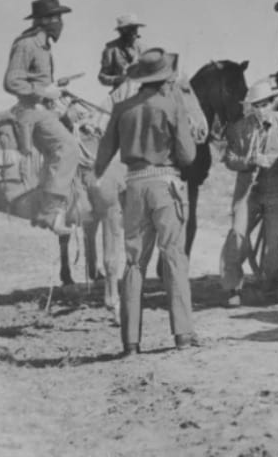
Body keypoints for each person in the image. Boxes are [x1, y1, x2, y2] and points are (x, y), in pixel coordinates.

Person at [94, 47, 199, 356]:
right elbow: (189, 156)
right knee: (173, 257)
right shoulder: (172, 105)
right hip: (166, 186)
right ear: (165, 79)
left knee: (133, 262)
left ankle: (130, 342)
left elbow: (103, 156)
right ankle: (182, 334)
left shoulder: (122, 108)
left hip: (134, 187)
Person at [219, 77, 278, 306]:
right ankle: (232, 289)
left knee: (274, 246)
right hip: (249, 194)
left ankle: (269, 289)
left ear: (273, 103)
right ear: (251, 107)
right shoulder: (240, 128)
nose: (262, 110)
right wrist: (250, 160)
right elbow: (229, 159)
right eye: (257, 106)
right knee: (237, 237)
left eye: (265, 104)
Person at [3, 0, 77, 236]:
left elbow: (35, 80)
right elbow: (11, 81)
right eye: (56, 18)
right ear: (43, 20)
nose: (60, 23)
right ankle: (50, 212)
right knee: (67, 147)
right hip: (31, 111)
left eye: (60, 18)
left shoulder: (43, 46)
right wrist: (45, 91)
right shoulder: (27, 44)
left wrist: (55, 88)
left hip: (43, 107)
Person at [98, 13, 146, 103]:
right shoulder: (111, 50)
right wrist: (118, 79)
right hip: (120, 97)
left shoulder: (143, 49)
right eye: (130, 29)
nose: (134, 32)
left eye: (135, 28)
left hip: (141, 96)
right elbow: (102, 77)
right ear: (121, 31)